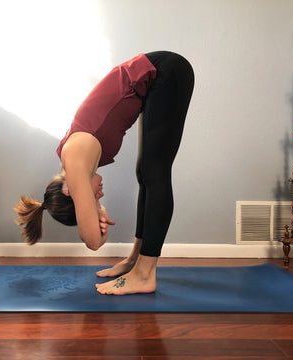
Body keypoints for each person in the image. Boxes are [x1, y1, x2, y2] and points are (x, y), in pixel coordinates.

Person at [16, 51, 194, 295]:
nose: (100, 195)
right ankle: (135, 261)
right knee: (146, 173)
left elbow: (93, 242)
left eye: (93, 198)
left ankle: (144, 274)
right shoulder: (73, 161)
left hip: (164, 71)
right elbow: (85, 216)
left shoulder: (76, 159)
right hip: (158, 76)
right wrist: (94, 207)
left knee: (155, 171)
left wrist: (98, 212)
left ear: (70, 190)